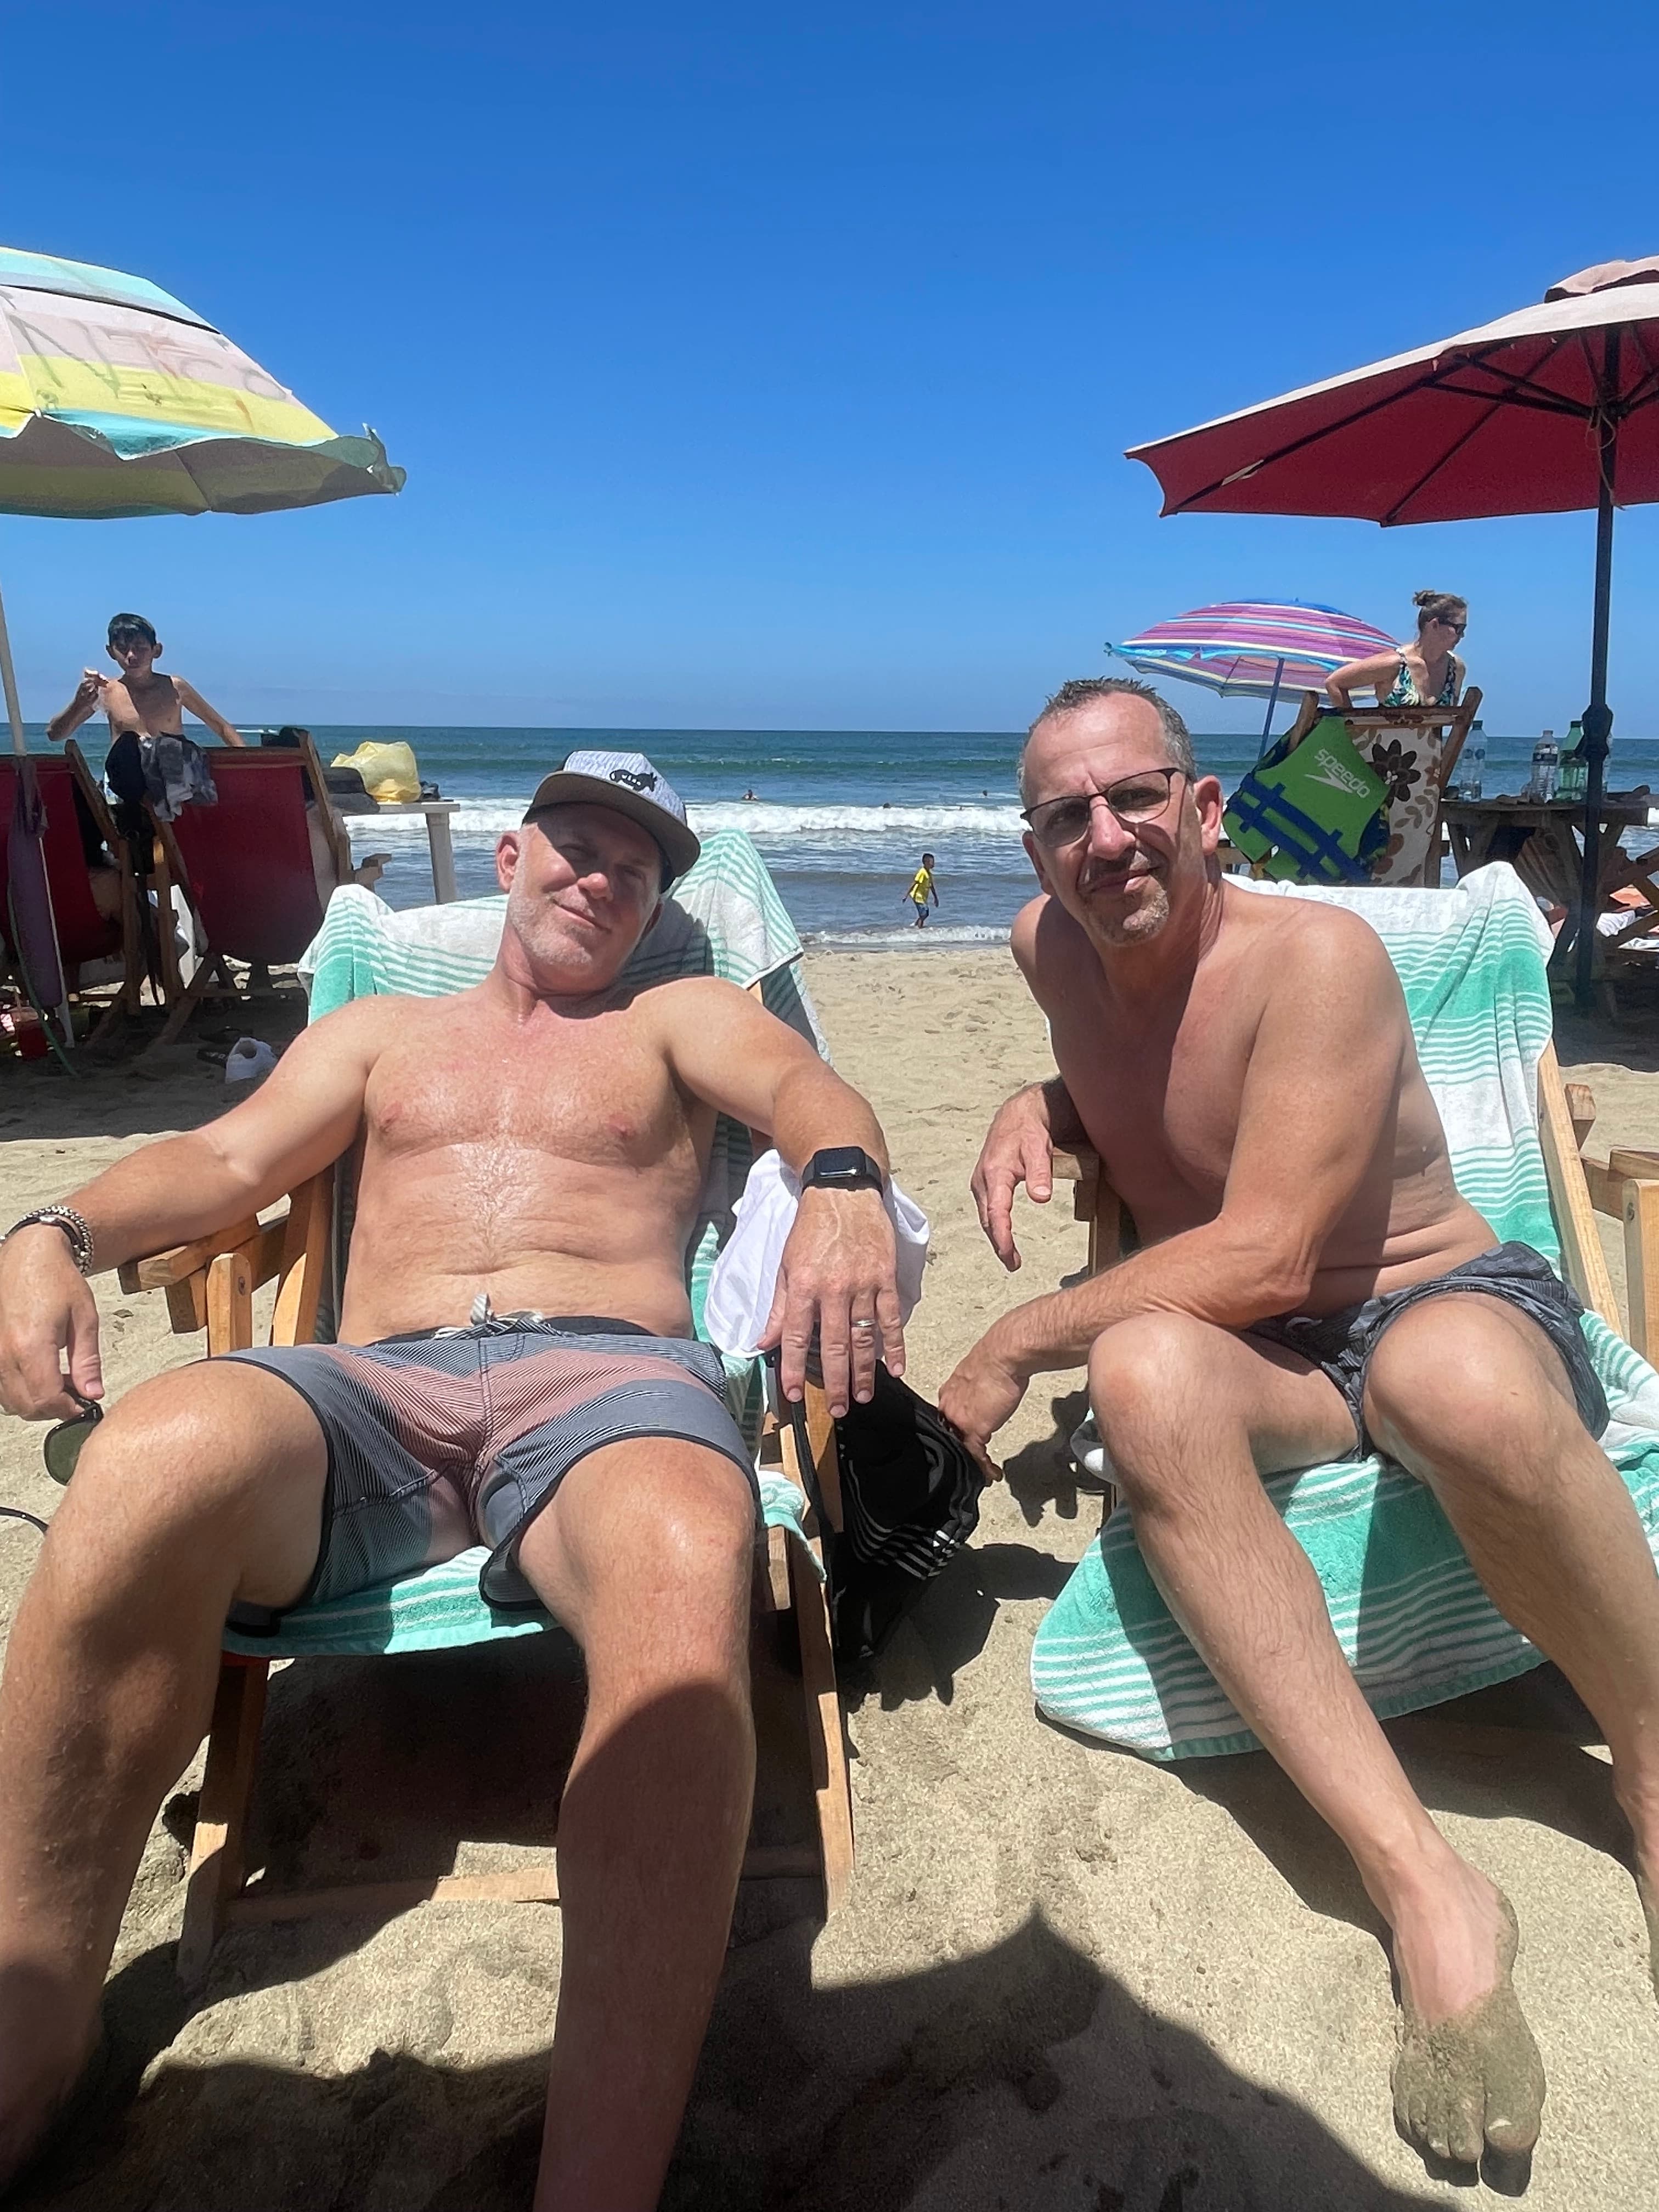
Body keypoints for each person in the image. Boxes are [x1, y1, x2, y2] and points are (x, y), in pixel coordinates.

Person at [0, 750, 905, 2210]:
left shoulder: (680, 1015)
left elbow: (808, 1089)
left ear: (659, 901)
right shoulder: (374, 1033)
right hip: (373, 1390)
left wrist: (849, 1186)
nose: (599, 873)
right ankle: (30, 2032)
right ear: (507, 857)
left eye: (635, 862)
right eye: (574, 842)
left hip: (611, 1381)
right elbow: (223, 1160)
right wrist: (52, 1231)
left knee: (688, 1550)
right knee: (147, 1463)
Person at [939, 675, 1659, 2171]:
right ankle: (1427, 1889)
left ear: (1206, 814)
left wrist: (1012, 1341)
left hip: (1437, 1303)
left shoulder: (1317, 957)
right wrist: (1042, 1104)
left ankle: (1650, 1766)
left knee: (1437, 1384)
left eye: (1138, 796)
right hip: (1270, 1363)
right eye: (1065, 814)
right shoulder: (1043, 955)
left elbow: (1269, 1246)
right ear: (1034, 853)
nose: (1107, 836)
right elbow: (1147, 1085)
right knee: (1139, 1375)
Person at [1325, 590, 1468, 885]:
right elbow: (1336, 683)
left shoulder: (1456, 668)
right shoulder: (1395, 663)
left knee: (1414, 857)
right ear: (1434, 625)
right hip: (1381, 771)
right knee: (1374, 852)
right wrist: (1352, 732)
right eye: (1458, 627)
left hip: (1425, 778)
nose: (1462, 635)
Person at [907, 851, 939, 928]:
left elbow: (932, 887)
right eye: (932, 862)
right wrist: (906, 894)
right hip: (917, 896)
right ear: (927, 862)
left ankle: (916, 925)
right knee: (924, 914)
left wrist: (936, 898)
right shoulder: (922, 872)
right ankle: (919, 929)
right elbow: (915, 883)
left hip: (923, 897)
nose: (934, 864)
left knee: (926, 913)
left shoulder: (929, 874)